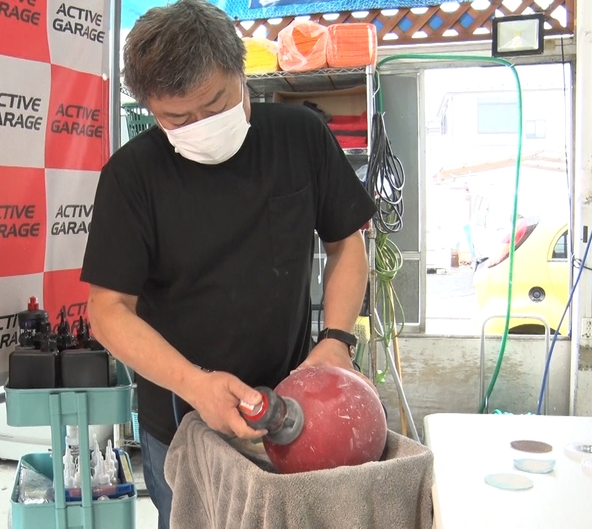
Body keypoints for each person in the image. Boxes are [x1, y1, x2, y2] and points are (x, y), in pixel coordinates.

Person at [80, 1, 377, 526]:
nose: (200, 125)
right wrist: (196, 385)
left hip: (292, 405)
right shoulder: (132, 176)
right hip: (181, 419)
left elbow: (345, 244)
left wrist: (336, 339)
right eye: (178, 118)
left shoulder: (300, 137)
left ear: (241, 74)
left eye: (215, 105)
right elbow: (107, 312)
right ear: (150, 108)